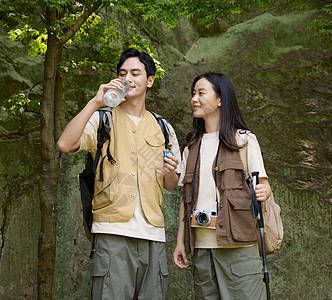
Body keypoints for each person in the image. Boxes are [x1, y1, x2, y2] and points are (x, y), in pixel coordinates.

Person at [57, 48, 181, 300]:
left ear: (150, 81)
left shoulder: (163, 128)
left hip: (152, 235)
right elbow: (65, 144)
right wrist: (95, 101)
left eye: (136, 73)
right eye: (123, 73)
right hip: (112, 233)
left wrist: (170, 172)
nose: (128, 78)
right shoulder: (102, 119)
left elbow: (171, 184)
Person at [173, 72, 271, 299]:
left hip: (237, 247)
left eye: (201, 93)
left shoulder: (244, 140)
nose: (194, 99)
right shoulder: (190, 148)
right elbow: (185, 201)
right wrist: (180, 242)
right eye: (192, 94)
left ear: (220, 99)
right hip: (202, 250)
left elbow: (263, 185)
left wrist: (264, 190)